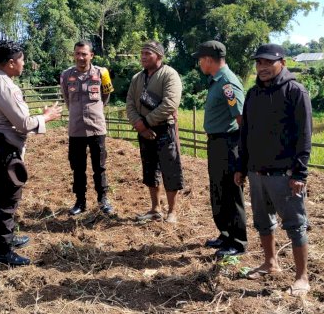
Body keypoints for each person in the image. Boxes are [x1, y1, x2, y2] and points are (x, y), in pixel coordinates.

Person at [234, 43, 312, 296]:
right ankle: (270, 263)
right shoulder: (253, 94)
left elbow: (304, 135)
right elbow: (245, 133)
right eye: (259, 63)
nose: (263, 67)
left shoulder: (295, 91)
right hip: (257, 172)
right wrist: (242, 166)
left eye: (268, 62)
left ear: (282, 63)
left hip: (285, 174)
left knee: (295, 224)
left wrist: (300, 173)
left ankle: (302, 277)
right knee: (263, 222)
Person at [0, 40, 63, 266]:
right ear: (12, 62)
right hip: (2, 149)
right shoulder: (5, 85)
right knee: (7, 200)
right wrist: (47, 117)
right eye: (22, 60)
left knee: (2, 195)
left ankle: (8, 239)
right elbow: (23, 123)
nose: (24, 64)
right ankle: (4, 254)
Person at [194, 40, 247, 258]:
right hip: (216, 143)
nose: (199, 64)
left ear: (208, 60)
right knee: (218, 190)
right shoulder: (216, 81)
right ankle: (225, 234)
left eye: (200, 59)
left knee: (231, 192)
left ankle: (237, 241)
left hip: (228, 144)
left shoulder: (227, 83)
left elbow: (241, 118)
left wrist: (242, 153)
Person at [125, 41, 184, 223]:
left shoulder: (169, 75)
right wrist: (138, 124)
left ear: (159, 56)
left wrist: (146, 122)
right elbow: (129, 102)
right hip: (143, 130)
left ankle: (172, 211)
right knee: (150, 169)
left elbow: (170, 104)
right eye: (141, 53)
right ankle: (155, 208)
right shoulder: (137, 78)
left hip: (164, 128)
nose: (143, 57)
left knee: (170, 168)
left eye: (147, 53)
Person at [60, 41, 115, 215]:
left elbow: (105, 96)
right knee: (77, 167)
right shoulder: (65, 75)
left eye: (84, 54)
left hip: (96, 128)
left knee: (99, 166)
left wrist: (95, 110)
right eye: (77, 54)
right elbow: (67, 99)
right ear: (74, 55)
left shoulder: (102, 73)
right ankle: (80, 201)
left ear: (91, 55)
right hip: (76, 129)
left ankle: (102, 200)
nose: (80, 57)